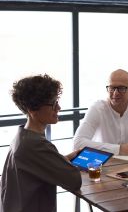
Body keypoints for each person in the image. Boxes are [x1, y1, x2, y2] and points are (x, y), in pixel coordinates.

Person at [0, 74, 82, 212]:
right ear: (33, 110)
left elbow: (36, 165)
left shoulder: (23, 136)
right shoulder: (35, 144)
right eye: (54, 104)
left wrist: (63, 159)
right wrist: (66, 165)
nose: (59, 108)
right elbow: (74, 180)